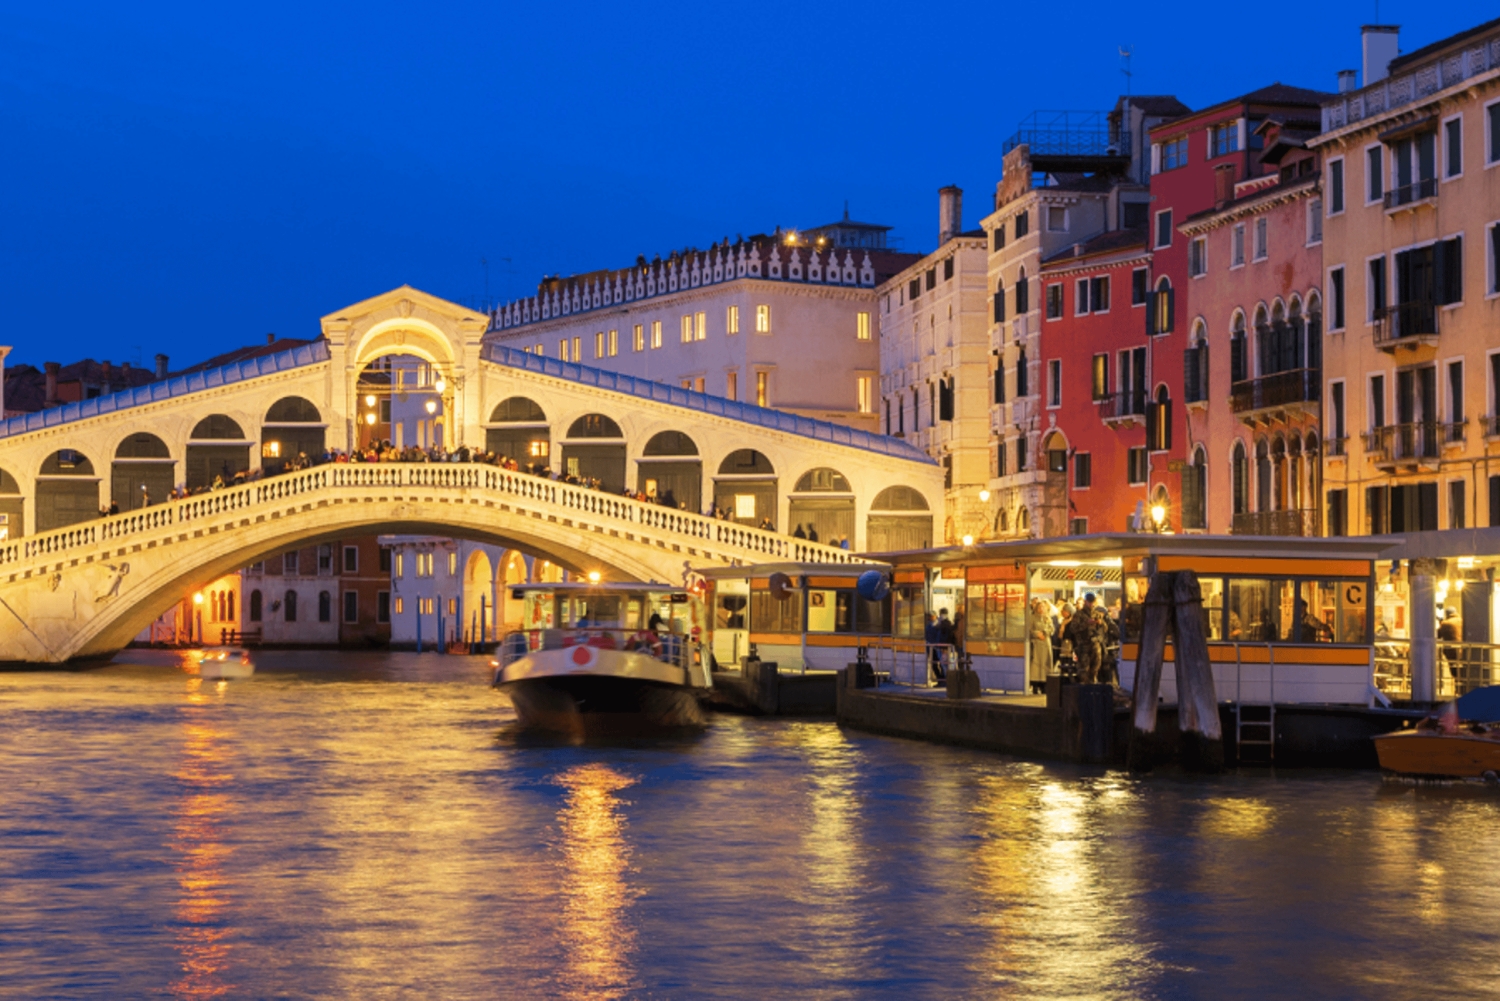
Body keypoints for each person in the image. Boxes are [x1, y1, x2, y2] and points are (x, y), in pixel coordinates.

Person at [1065, 592, 1107, 684]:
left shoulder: (1096, 613)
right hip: (1083, 644)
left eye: (1092, 602)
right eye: (1089, 602)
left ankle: (1093, 683)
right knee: (1084, 668)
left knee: (1096, 666)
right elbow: (1073, 629)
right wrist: (1086, 624)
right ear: (1085, 602)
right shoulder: (1079, 614)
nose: (1091, 604)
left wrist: (1100, 623)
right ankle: (1084, 686)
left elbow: (1105, 628)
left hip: (1095, 643)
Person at [1029, 598, 1054, 691]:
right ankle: (1035, 683)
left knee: (1045, 663)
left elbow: (1052, 629)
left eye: (1043, 607)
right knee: (1036, 663)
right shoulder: (1032, 618)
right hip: (1037, 644)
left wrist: (1045, 632)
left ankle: (1044, 684)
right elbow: (1029, 630)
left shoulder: (1048, 618)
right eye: (1039, 607)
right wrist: (1037, 634)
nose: (1041, 609)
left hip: (1046, 643)